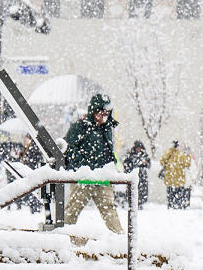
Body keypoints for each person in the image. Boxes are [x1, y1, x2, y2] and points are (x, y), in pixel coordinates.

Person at [62, 94, 123, 233]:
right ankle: (63, 238)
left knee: (109, 209)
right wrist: (83, 166)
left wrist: (110, 168)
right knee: (72, 210)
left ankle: (121, 240)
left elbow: (108, 151)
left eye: (107, 114)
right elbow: (69, 149)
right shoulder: (80, 126)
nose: (104, 117)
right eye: (102, 113)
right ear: (94, 111)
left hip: (102, 176)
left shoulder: (107, 128)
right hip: (84, 177)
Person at [159, 140, 191, 209]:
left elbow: (162, 162)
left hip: (170, 180)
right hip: (179, 181)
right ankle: (177, 207)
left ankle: (171, 206)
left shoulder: (168, 153)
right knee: (178, 198)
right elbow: (187, 163)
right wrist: (188, 154)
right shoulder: (180, 155)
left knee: (170, 197)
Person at [122, 140, 151, 208]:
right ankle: (132, 202)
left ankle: (140, 203)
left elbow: (149, 164)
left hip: (142, 176)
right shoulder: (131, 155)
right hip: (133, 175)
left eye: (139, 148)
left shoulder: (144, 155)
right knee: (132, 189)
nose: (138, 149)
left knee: (142, 190)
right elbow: (126, 164)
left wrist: (145, 164)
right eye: (137, 148)